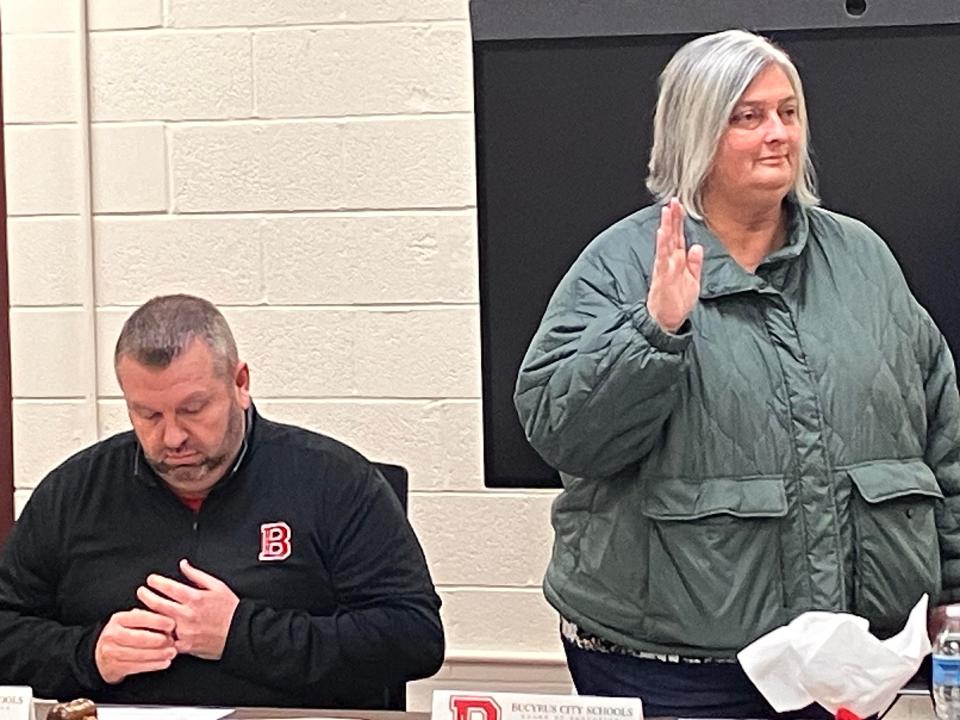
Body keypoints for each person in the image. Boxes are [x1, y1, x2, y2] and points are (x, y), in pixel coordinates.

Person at [514, 28, 960, 719]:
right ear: (695, 132)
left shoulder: (864, 259)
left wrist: (953, 591)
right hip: (670, 669)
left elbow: (941, 432)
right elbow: (562, 433)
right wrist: (653, 331)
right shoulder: (620, 264)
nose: (777, 134)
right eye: (747, 117)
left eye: (788, 112)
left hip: (845, 664)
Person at [0, 294, 444, 708]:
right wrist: (89, 654)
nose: (172, 437)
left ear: (240, 382)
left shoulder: (333, 481)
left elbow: (413, 638)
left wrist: (239, 634)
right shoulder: (75, 491)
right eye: (148, 414)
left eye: (194, 409)